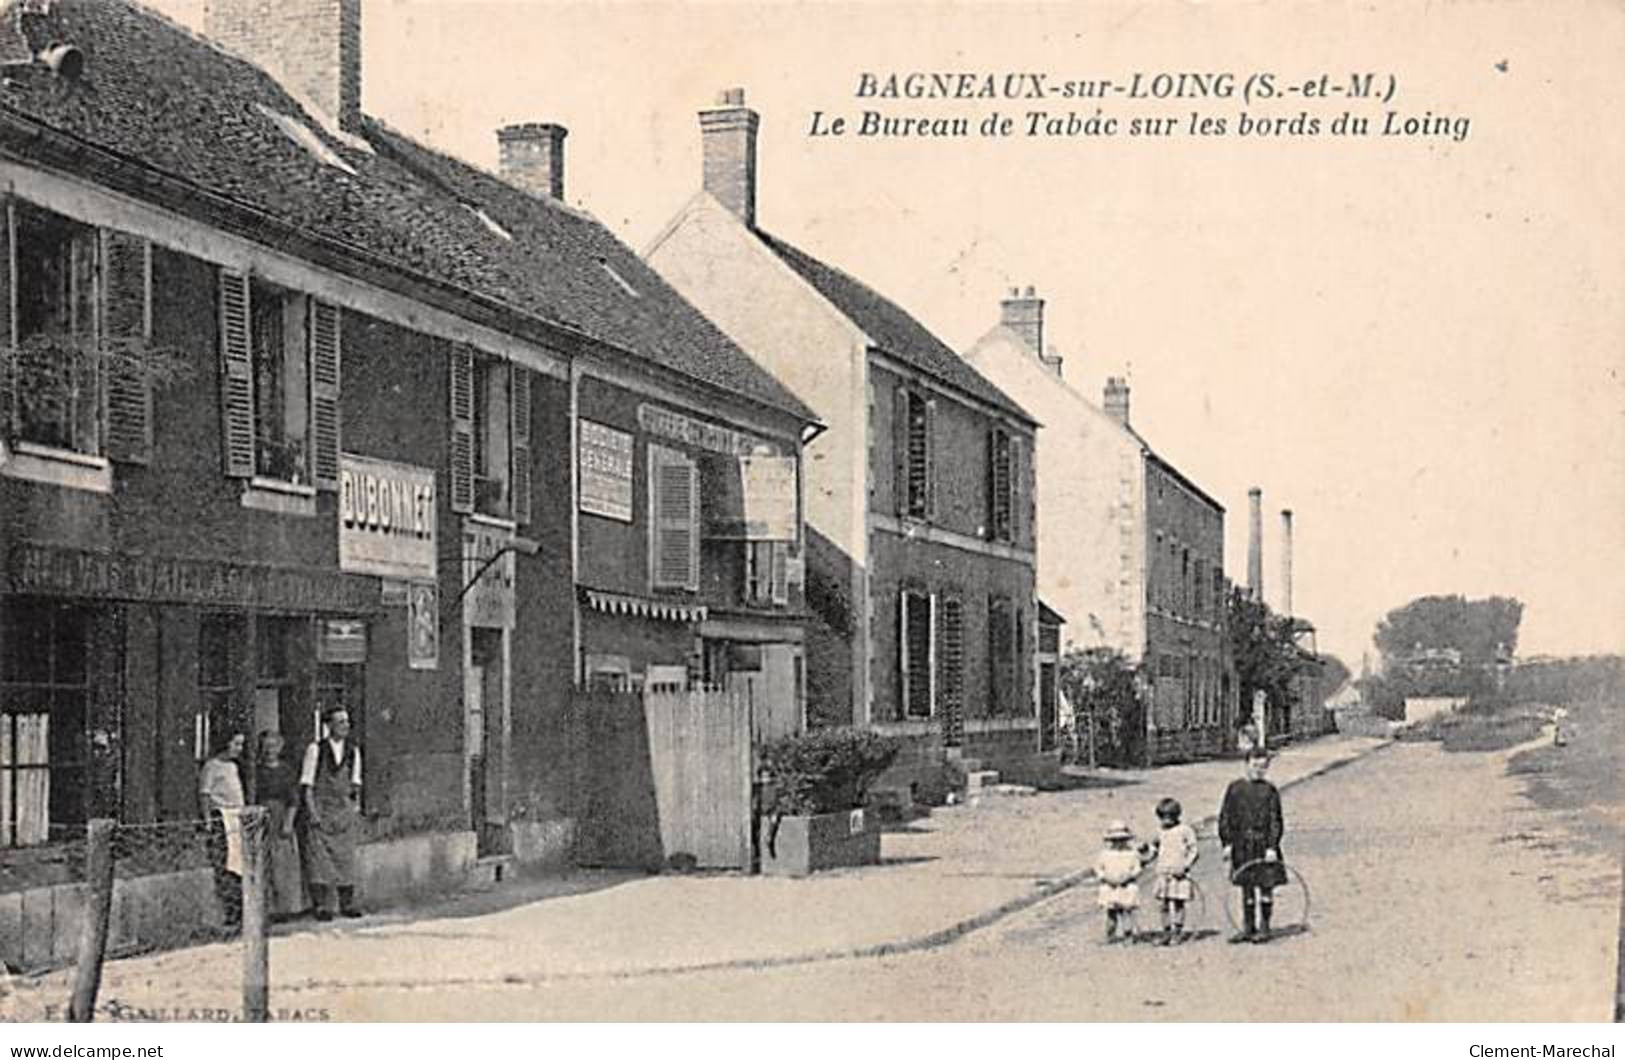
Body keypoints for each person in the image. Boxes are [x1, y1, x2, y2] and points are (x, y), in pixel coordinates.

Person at [1219, 747, 1288, 944]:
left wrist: (1272, 847)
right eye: (1255, 765)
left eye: (1263, 767)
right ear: (1247, 764)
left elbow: (1276, 820)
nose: (1259, 770)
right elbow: (1226, 817)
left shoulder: (1270, 791)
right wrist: (1227, 843)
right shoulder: (1235, 789)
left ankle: (1265, 927)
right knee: (1246, 887)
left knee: (1265, 886)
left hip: (1263, 845)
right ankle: (1248, 927)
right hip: (1242, 845)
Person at [301, 706, 364, 921]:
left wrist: (353, 811)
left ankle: (347, 903)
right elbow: (307, 785)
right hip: (321, 809)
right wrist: (313, 813)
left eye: (347, 722)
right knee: (319, 860)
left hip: (343, 811)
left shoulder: (353, 751)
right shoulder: (315, 750)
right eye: (340, 722)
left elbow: (355, 785)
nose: (345, 726)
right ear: (328, 725)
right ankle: (322, 906)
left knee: (345, 858)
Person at [255, 730, 309, 920]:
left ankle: (288, 908)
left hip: (281, 817)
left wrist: (288, 822)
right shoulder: (257, 770)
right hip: (263, 817)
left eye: (273, 746)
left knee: (284, 864)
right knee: (265, 863)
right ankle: (269, 909)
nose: (270, 750)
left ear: (280, 747)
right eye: (266, 747)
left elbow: (293, 799)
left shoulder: (286, 770)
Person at [197, 730, 247, 932]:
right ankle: (230, 914)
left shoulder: (233, 766)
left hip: (237, 816)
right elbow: (205, 794)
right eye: (236, 744)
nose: (239, 749)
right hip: (222, 817)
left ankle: (241, 913)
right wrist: (208, 821)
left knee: (240, 865)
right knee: (226, 865)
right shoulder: (212, 766)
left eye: (241, 745)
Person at [1145, 797, 1200, 945]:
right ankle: (1166, 931)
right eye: (1163, 817)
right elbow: (1154, 849)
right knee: (1163, 903)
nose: (1166, 821)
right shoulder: (1159, 832)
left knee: (1178, 902)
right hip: (1163, 872)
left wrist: (1185, 866)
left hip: (1179, 873)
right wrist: (1146, 855)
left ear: (1177, 816)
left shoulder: (1185, 831)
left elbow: (1194, 850)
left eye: (1170, 817)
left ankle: (1177, 931)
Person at [1095, 819, 1144, 943]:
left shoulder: (1131, 854)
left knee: (1126, 911)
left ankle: (1128, 934)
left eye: (1121, 840)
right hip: (1110, 885)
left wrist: (1129, 877)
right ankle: (1110, 935)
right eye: (1115, 840)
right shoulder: (1105, 854)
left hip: (1126, 885)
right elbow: (1098, 868)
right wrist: (1105, 877)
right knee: (1111, 912)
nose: (1118, 843)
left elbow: (1137, 868)